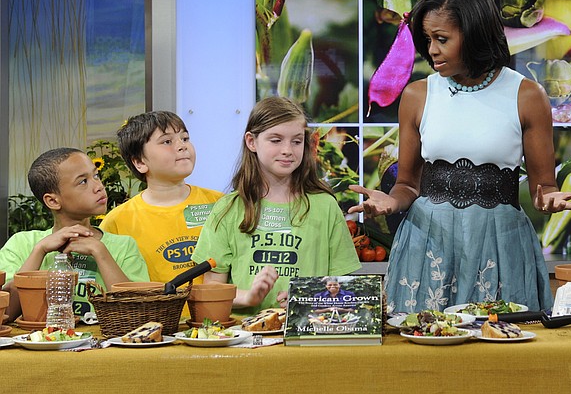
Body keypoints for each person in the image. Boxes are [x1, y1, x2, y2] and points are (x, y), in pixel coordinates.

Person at [348, 0, 571, 314]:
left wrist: (549, 199)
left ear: (475, 35)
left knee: (503, 351)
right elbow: (407, 184)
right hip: (428, 243)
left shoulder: (527, 95)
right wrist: (390, 201)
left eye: (442, 39)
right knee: (424, 346)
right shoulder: (417, 95)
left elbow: (542, 187)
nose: (431, 50)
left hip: (499, 243)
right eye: (428, 39)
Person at [192, 96, 361, 315]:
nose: (288, 150)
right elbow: (211, 288)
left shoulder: (325, 205)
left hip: (307, 336)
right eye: (276, 140)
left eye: (296, 141)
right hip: (245, 337)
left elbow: (345, 286)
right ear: (251, 141)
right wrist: (248, 296)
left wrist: (309, 297)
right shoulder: (228, 208)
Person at [0, 148, 149, 321]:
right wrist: (39, 251)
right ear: (53, 201)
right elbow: (6, 313)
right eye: (83, 182)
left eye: (96, 176)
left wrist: (100, 253)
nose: (98, 187)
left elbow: (138, 311)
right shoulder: (22, 244)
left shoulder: (123, 246)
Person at [100, 111, 223, 284]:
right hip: (154, 311)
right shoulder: (117, 221)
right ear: (140, 162)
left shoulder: (221, 204)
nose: (182, 146)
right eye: (167, 141)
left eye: (185, 138)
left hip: (218, 310)